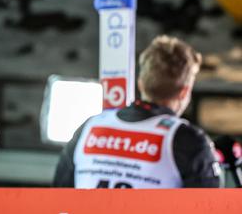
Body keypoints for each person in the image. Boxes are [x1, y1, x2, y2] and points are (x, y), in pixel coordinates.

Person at [53, 35, 222, 188]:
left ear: (141, 84)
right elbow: (211, 207)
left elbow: (58, 197)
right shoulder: (189, 141)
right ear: (184, 92)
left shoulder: (90, 127)